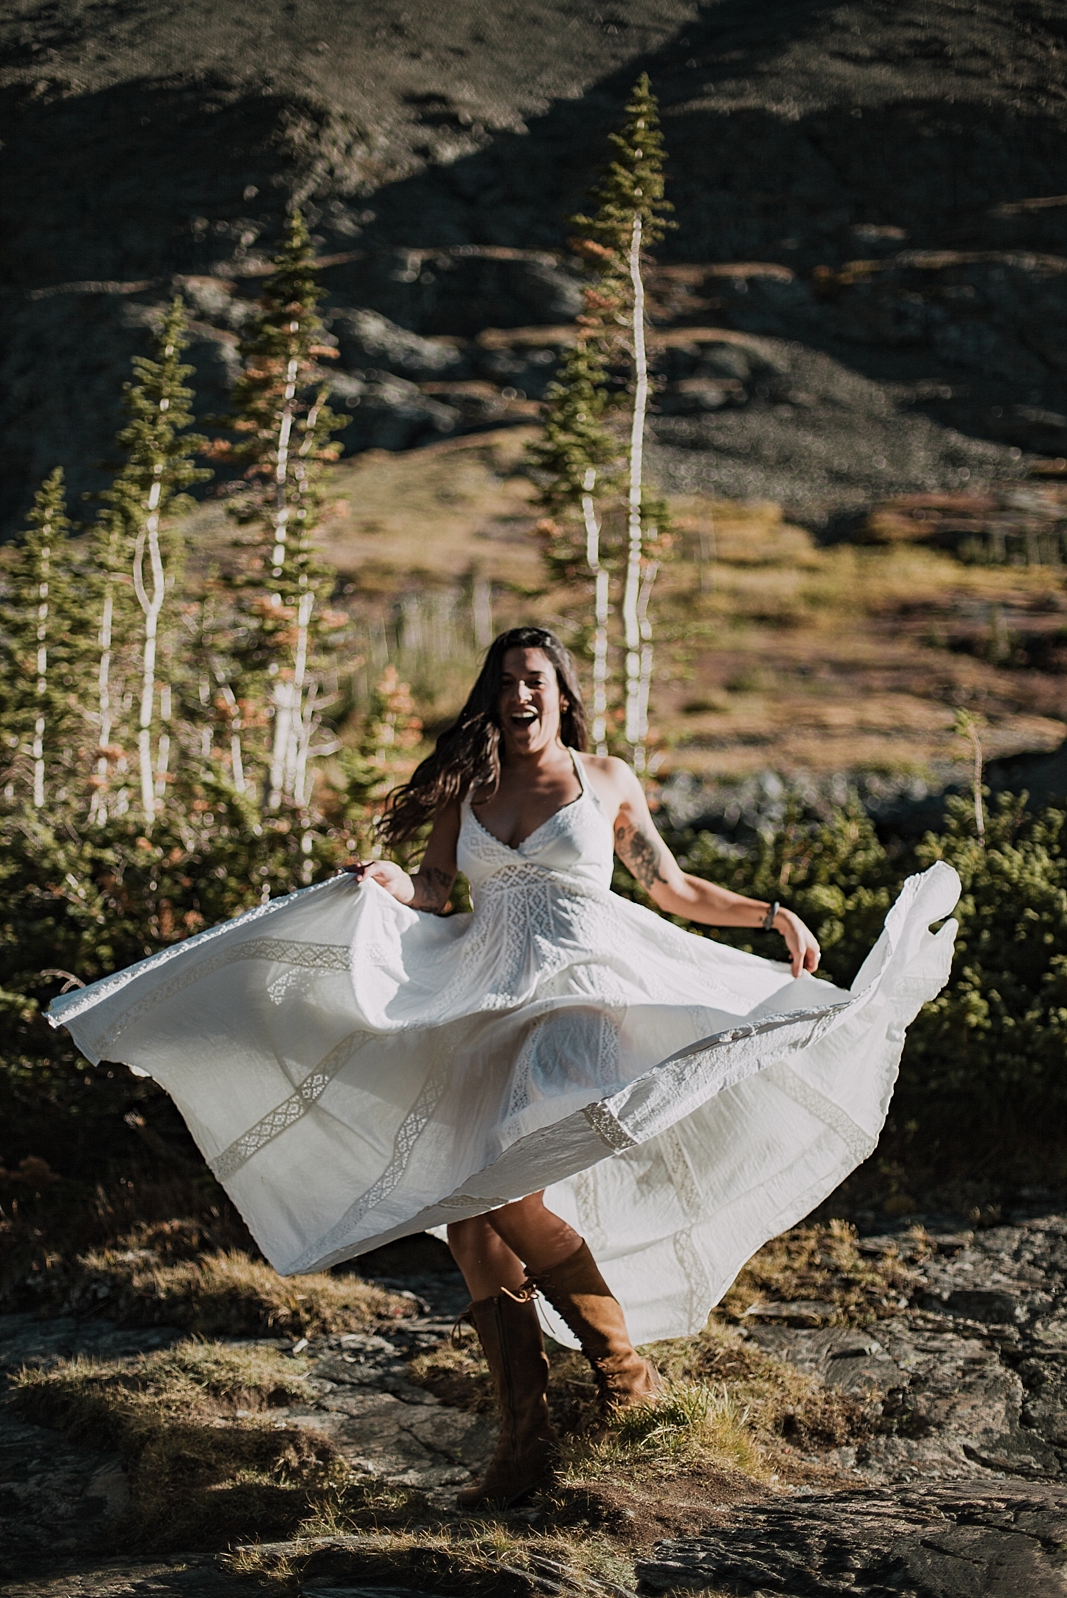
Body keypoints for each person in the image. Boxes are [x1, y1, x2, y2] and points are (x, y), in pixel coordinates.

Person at [49, 627, 960, 1511]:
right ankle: (524, 1442)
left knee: (501, 1186)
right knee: (469, 1215)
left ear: (561, 695)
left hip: (586, 995)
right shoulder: (469, 787)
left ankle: (623, 1377)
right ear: (492, 697)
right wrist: (390, 884)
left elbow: (669, 888)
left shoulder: (603, 780)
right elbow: (439, 888)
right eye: (505, 681)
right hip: (488, 998)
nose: (520, 694)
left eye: (536, 680)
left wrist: (769, 913)